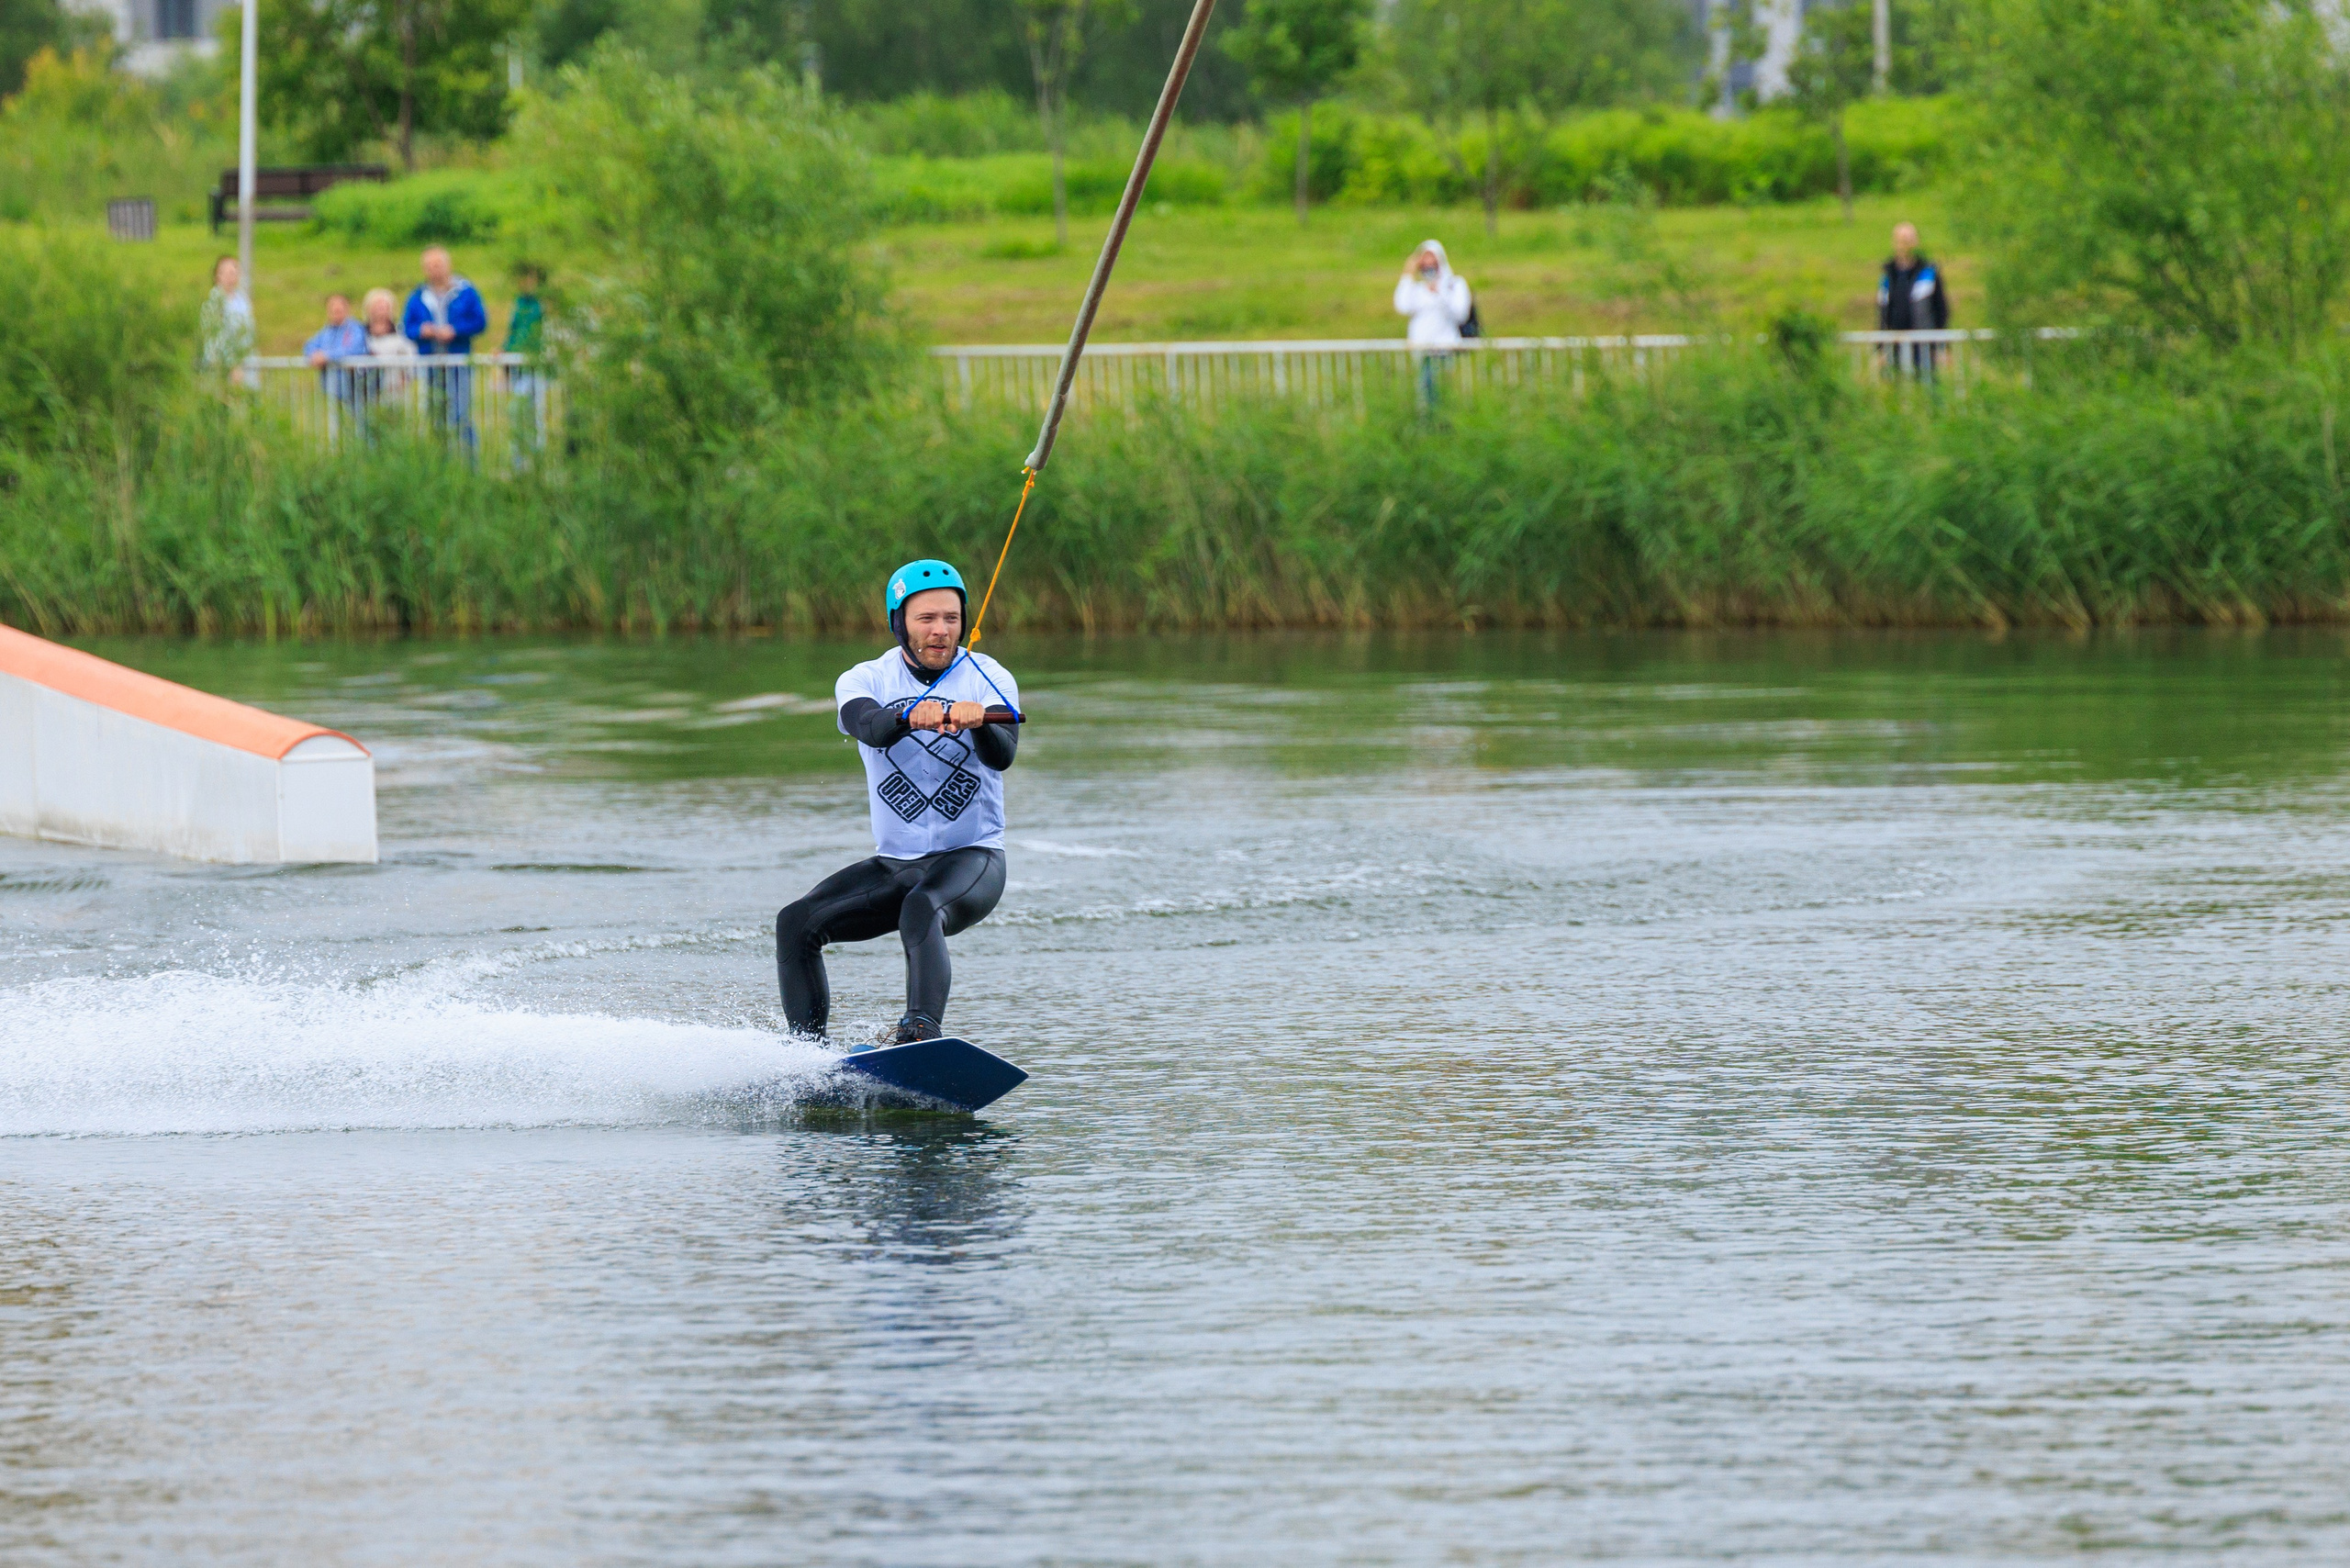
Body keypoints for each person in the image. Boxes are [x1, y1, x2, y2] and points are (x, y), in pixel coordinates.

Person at [776, 560, 1024, 1048]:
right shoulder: (864, 679)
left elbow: (1004, 756)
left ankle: (919, 1035)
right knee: (796, 922)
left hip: (973, 859)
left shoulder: (988, 678)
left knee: (921, 907)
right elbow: (867, 724)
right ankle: (805, 1054)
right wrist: (912, 716)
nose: (940, 632)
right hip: (895, 863)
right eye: (926, 619)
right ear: (899, 622)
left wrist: (982, 724)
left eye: (951, 619)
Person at [401, 245, 487, 456]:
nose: (434, 270)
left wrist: (455, 331)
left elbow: (480, 321)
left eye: (438, 264)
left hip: (458, 361)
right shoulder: (418, 296)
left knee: (461, 415)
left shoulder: (465, 291)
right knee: (436, 416)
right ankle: (442, 463)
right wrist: (423, 330)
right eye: (429, 266)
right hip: (431, 362)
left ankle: (469, 464)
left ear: (448, 265)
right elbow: (407, 327)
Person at [1393, 240, 1472, 409]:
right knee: (1423, 395)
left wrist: (1440, 293)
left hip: (1446, 349)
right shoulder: (1417, 289)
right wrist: (1408, 274)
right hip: (1421, 351)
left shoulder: (1454, 285)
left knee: (1445, 392)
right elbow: (1402, 305)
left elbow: (1461, 313)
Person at [1877, 222, 1950, 381]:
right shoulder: (1888, 275)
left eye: (1909, 239)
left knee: (1928, 388)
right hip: (1896, 345)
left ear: (1916, 242)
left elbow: (1941, 310)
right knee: (1898, 390)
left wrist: (1941, 347)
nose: (1905, 244)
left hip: (1924, 345)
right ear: (1894, 242)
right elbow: (1883, 312)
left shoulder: (1929, 272)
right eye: (1902, 239)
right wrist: (1881, 348)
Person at [302, 293, 367, 429]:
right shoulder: (326, 331)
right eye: (333, 310)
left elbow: (354, 349)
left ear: (347, 309)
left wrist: (327, 356)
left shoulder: (355, 329)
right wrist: (314, 355)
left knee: (359, 421)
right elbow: (309, 346)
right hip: (332, 387)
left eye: (339, 310)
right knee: (337, 423)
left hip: (354, 385)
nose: (336, 313)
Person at [503, 262, 548, 462]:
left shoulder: (543, 304)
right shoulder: (519, 303)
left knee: (531, 413)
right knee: (519, 412)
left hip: (535, 366)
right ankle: (519, 461)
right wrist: (504, 350)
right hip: (517, 366)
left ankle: (534, 461)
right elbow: (514, 332)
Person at [360, 286, 419, 420]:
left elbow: (410, 357)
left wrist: (405, 378)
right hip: (367, 391)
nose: (381, 310)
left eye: (384, 306)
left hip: (394, 390)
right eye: (377, 306)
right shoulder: (360, 334)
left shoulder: (401, 334)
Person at [197, 256, 254, 386]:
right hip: (220, 367)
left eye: (234, 273)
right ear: (217, 276)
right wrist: (231, 364)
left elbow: (249, 334)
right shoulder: (212, 304)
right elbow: (216, 337)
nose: (231, 277)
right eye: (227, 273)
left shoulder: (243, 302)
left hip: (245, 366)